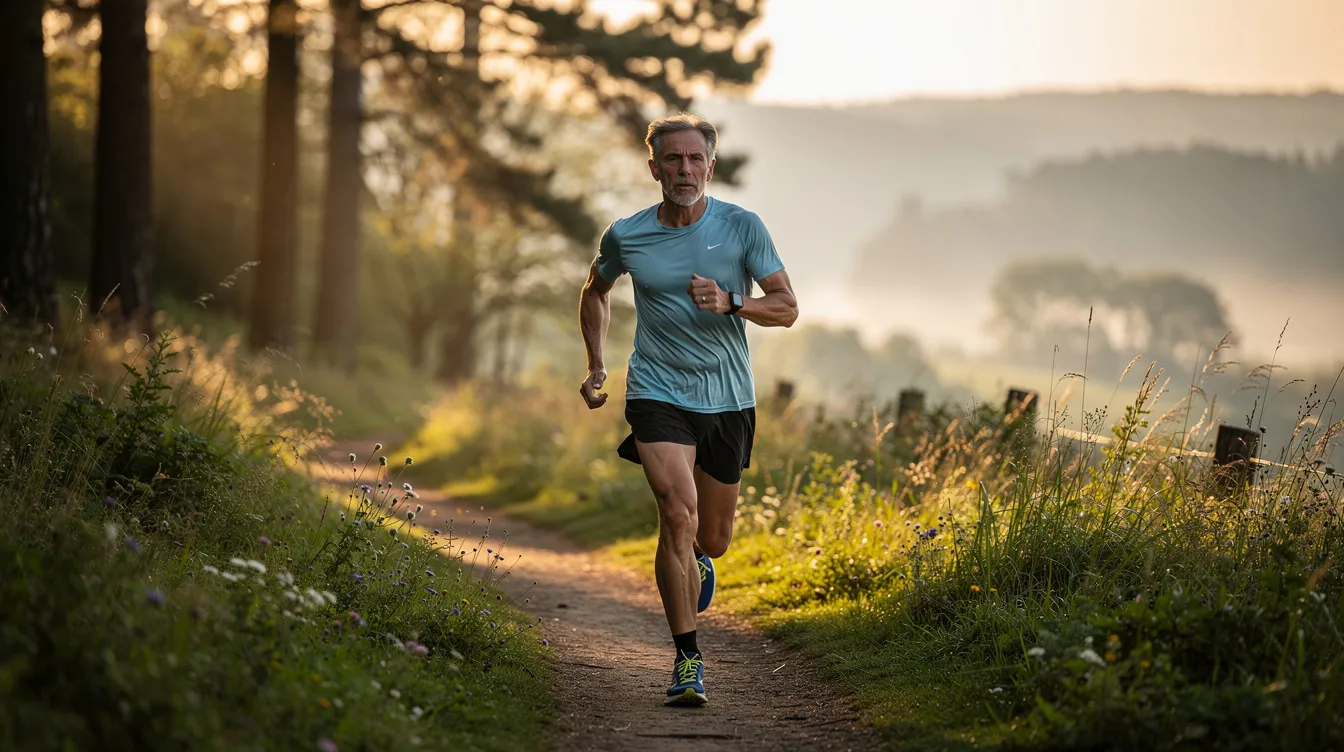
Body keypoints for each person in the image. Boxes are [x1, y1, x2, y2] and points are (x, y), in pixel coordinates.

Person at [577, 113, 798, 706]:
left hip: (727, 397)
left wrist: (733, 303)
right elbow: (594, 292)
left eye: (694, 158)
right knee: (676, 512)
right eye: (671, 160)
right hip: (657, 390)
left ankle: (699, 560)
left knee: (714, 537)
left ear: (711, 165)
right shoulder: (626, 235)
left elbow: (786, 307)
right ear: (654, 169)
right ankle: (687, 661)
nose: (684, 169)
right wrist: (598, 364)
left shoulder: (742, 227)